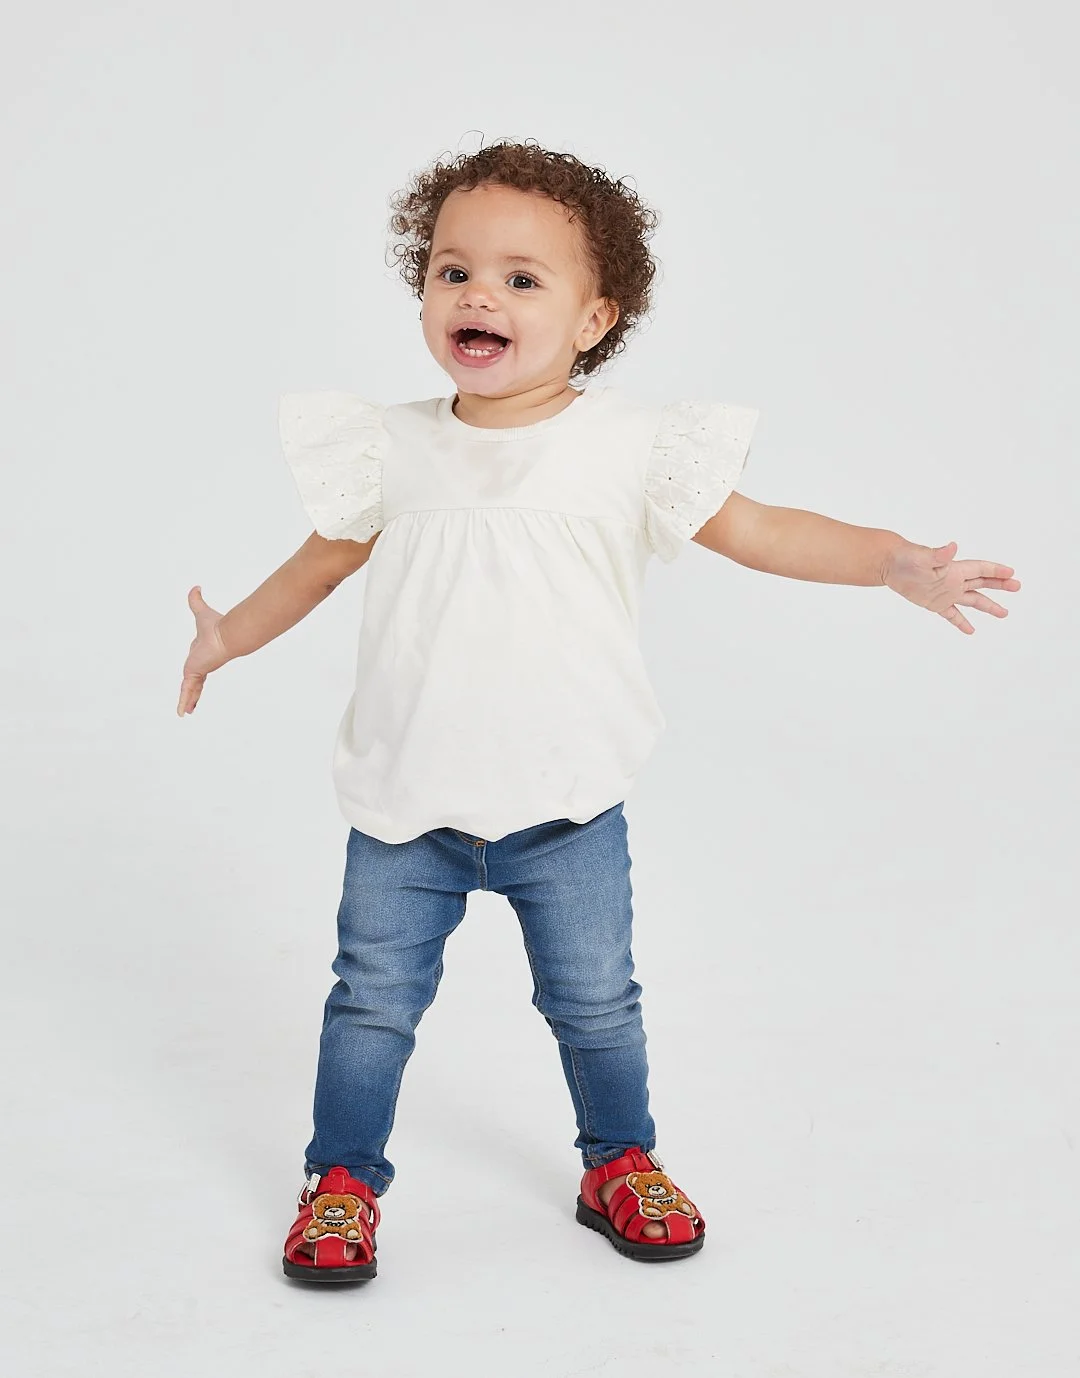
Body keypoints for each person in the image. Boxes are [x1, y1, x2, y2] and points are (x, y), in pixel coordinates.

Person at [177, 140, 1021, 1283]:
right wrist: (227, 634)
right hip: (402, 810)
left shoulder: (630, 447)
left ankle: (617, 1158)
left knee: (596, 1004)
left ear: (593, 318)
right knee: (369, 1005)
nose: (479, 294)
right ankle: (340, 1179)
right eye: (452, 270)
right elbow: (316, 568)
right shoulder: (395, 448)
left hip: (566, 810)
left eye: (524, 279)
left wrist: (889, 562)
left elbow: (767, 529)